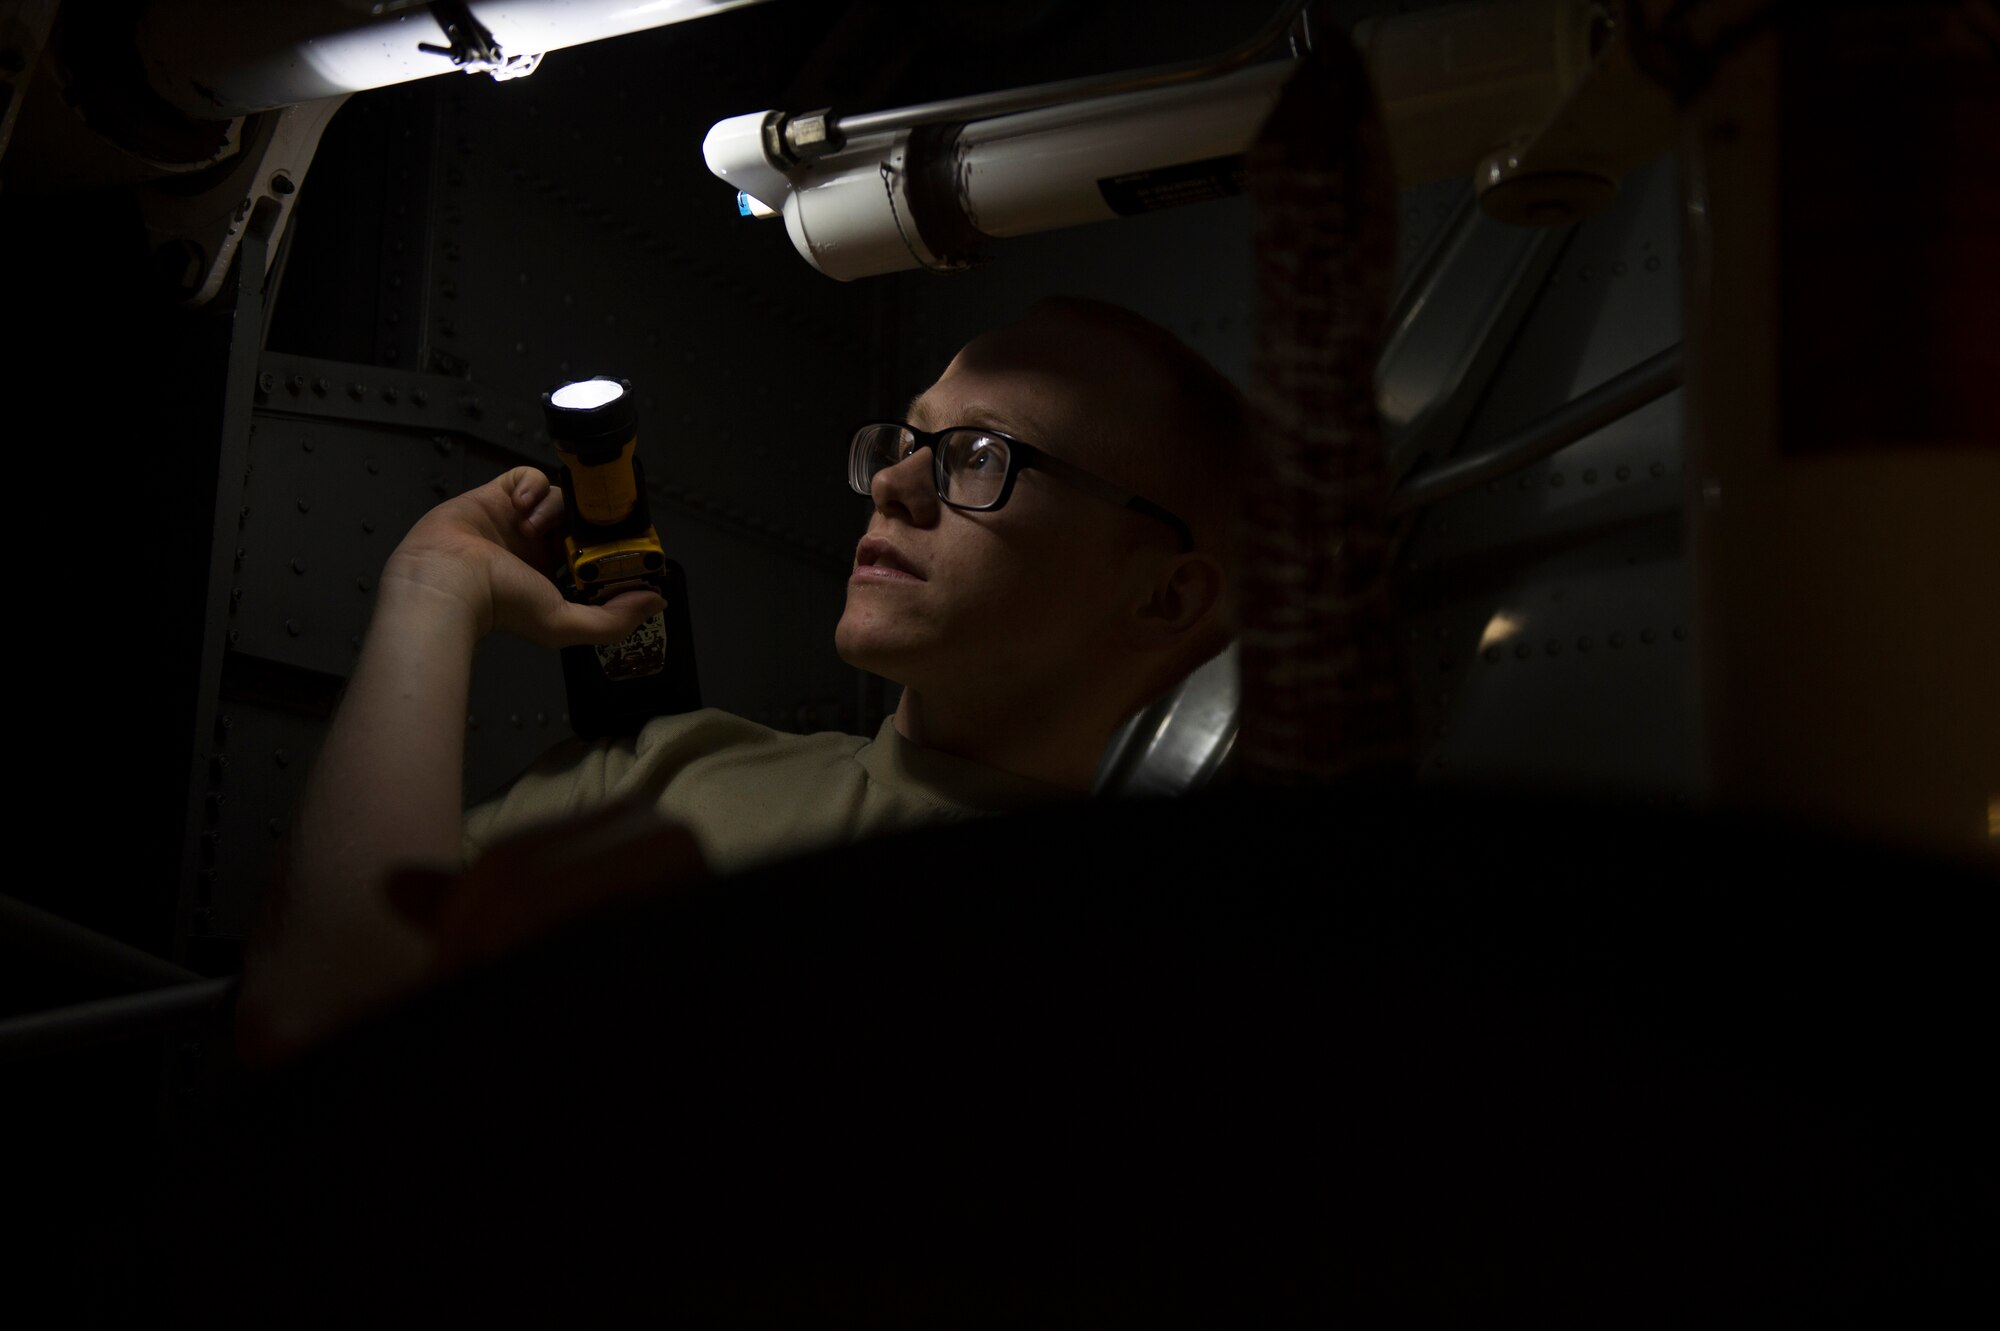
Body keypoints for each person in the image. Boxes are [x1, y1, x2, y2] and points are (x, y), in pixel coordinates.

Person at [236, 295, 1248, 1059]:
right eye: (907, 437)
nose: (893, 481)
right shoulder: (672, 769)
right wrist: (431, 590)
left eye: (979, 454)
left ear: (1162, 600)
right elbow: (317, 1018)